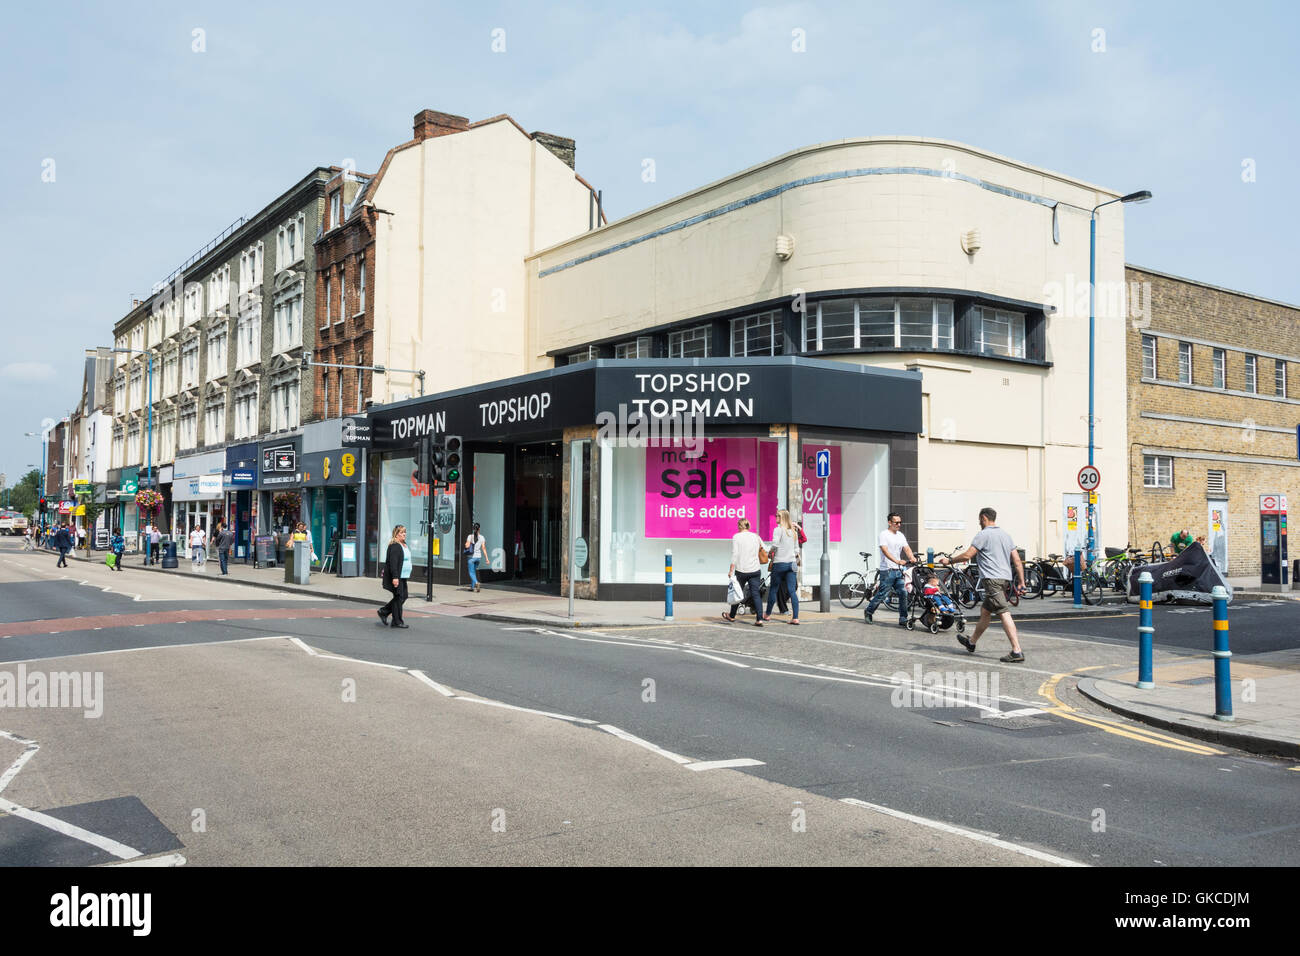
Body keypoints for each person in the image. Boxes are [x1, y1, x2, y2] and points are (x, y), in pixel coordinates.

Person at [939, 507, 1026, 662]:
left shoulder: (983, 534)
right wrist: (1022, 582)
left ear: (984, 518)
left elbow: (968, 554)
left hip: (992, 580)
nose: (979, 522)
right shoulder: (1006, 535)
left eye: (980, 519)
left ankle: (1017, 650)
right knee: (985, 611)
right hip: (1005, 579)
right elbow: (1017, 561)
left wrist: (949, 561)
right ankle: (971, 642)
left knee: (1003, 611)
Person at [864, 512, 916, 627]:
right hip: (887, 570)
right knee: (882, 594)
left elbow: (906, 548)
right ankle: (868, 611)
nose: (899, 524)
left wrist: (912, 557)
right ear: (889, 522)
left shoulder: (900, 535)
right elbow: (885, 550)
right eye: (896, 522)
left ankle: (903, 618)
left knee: (903, 592)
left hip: (898, 570)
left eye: (900, 522)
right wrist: (897, 561)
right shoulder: (884, 534)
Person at [723, 517, 765, 626]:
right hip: (755, 569)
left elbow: (735, 554)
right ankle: (759, 619)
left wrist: (731, 569)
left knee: (737, 592)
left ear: (739, 526)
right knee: (755, 594)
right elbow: (764, 548)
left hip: (741, 570)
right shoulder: (756, 536)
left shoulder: (736, 537)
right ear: (748, 526)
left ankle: (732, 616)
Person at [763, 509, 801, 624]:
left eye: (777, 516)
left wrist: (770, 553)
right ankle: (795, 618)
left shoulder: (778, 530)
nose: (776, 518)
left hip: (779, 564)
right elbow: (796, 550)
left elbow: (775, 545)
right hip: (792, 564)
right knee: (792, 591)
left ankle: (768, 614)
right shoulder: (793, 531)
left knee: (774, 589)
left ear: (783, 517)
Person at [379, 525, 411, 628]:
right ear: (396, 534)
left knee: (403, 596)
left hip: (403, 575)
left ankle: (384, 611)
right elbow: (393, 563)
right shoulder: (395, 546)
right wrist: (395, 577)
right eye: (401, 532)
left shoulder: (403, 544)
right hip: (398, 576)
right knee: (399, 597)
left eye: (405, 532)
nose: (404, 534)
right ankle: (397, 621)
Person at [465, 523, 487, 592]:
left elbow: (467, 546)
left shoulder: (470, 536)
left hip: (471, 558)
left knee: (471, 573)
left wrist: (466, 543)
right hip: (478, 558)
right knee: (473, 572)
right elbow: (483, 548)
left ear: (473, 528)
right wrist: (487, 558)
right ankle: (472, 587)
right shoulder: (482, 537)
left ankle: (477, 583)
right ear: (479, 529)